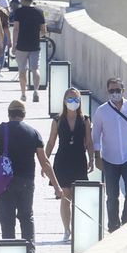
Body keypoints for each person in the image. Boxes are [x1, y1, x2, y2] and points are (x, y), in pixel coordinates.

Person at [0, 101, 58, 253]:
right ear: (23, 114)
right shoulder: (33, 133)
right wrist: (56, 186)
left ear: (9, 113)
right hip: (27, 182)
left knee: (7, 222)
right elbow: (44, 162)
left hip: (4, 184)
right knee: (27, 218)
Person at [91, 77, 127, 231]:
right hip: (109, 159)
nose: (115, 93)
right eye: (112, 91)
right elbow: (95, 135)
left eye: (118, 90)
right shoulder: (101, 111)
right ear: (107, 91)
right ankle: (113, 226)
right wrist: (97, 157)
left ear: (123, 91)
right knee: (112, 196)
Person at [46, 88, 97, 242]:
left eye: (75, 99)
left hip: (78, 160)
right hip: (63, 160)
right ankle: (66, 229)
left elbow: (88, 142)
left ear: (80, 101)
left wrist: (91, 159)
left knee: (78, 195)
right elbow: (51, 142)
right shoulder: (57, 120)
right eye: (69, 98)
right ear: (64, 101)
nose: (72, 102)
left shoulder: (85, 120)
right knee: (65, 195)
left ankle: (78, 228)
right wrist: (45, 162)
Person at [10, 0, 47, 96]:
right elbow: (44, 30)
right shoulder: (39, 12)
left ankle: (23, 93)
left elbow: (16, 29)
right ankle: (35, 91)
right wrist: (37, 36)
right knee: (35, 69)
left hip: (21, 45)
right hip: (35, 45)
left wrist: (14, 45)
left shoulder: (19, 12)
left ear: (23, 0)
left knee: (22, 70)